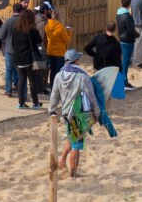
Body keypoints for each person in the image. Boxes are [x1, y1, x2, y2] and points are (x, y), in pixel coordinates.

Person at [48, 50, 117, 178]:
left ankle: (62, 160)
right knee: (76, 144)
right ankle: (73, 174)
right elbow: (91, 97)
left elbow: (54, 95)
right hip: (78, 114)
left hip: (65, 113)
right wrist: (97, 112)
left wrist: (52, 110)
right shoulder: (82, 77)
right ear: (76, 60)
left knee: (72, 136)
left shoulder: (58, 75)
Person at [8, 7, 43, 110]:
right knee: (32, 80)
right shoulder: (31, 30)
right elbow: (39, 40)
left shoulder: (16, 29)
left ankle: (21, 102)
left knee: (21, 79)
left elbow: (13, 43)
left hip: (18, 58)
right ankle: (35, 102)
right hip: (28, 58)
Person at [114, 0, 138, 91]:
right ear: (129, 5)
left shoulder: (118, 13)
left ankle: (121, 81)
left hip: (122, 38)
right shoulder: (127, 16)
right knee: (125, 62)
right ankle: (124, 82)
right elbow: (131, 29)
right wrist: (136, 35)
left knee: (123, 61)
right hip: (128, 40)